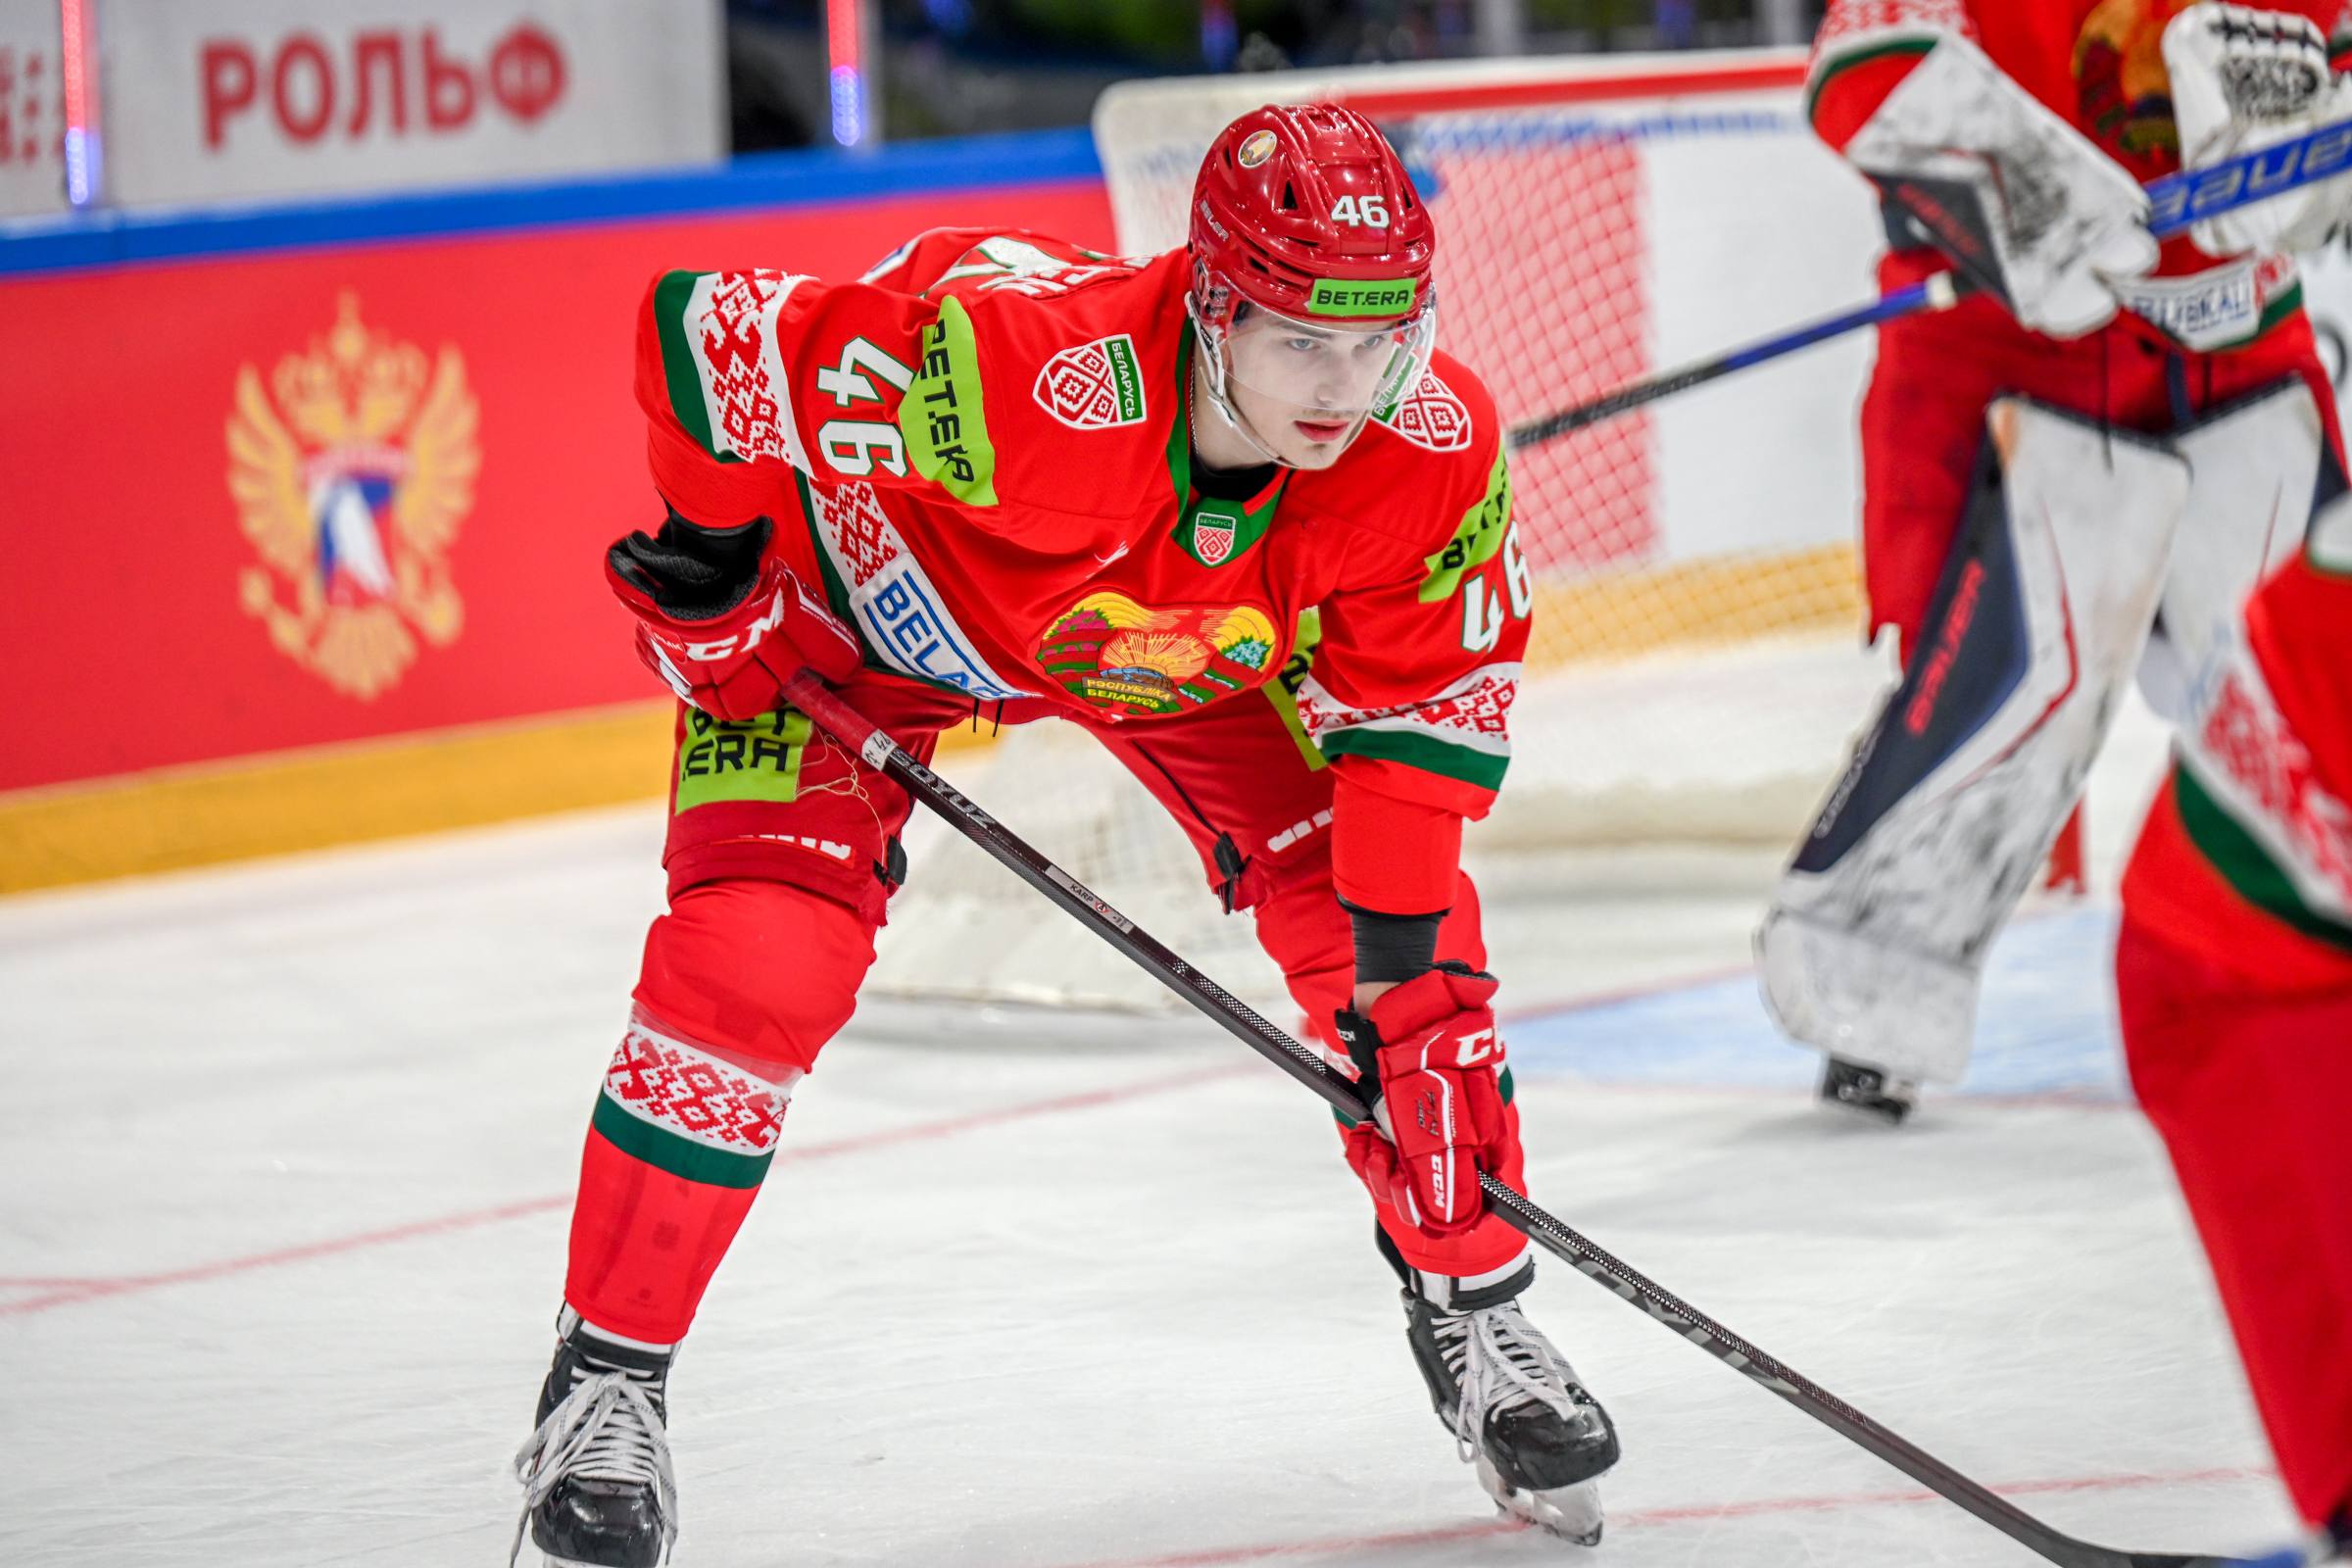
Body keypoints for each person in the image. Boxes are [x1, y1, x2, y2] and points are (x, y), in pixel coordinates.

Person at [510, 104, 1620, 1568]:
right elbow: (698, 337)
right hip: (860, 605)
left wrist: (1404, 1005)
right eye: (1302, 340)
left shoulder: (1427, 448)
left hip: (1166, 641)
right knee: (754, 966)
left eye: (1378, 342)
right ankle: (607, 1378)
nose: (1345, 391)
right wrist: (717, 565)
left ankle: (1475, 1311)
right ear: (1214, 303)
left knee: (1399, 965)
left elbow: (1410, 759)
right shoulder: (1021, 389)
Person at [1758, 0, 2352, 1124]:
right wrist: (2008, 182)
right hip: (2012, 368)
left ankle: (2332, 950)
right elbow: (1863, 60)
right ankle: (1875, 987)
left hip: (2244, 360)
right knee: (2011, 701)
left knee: (2320, 688)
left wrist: (2306, 147)